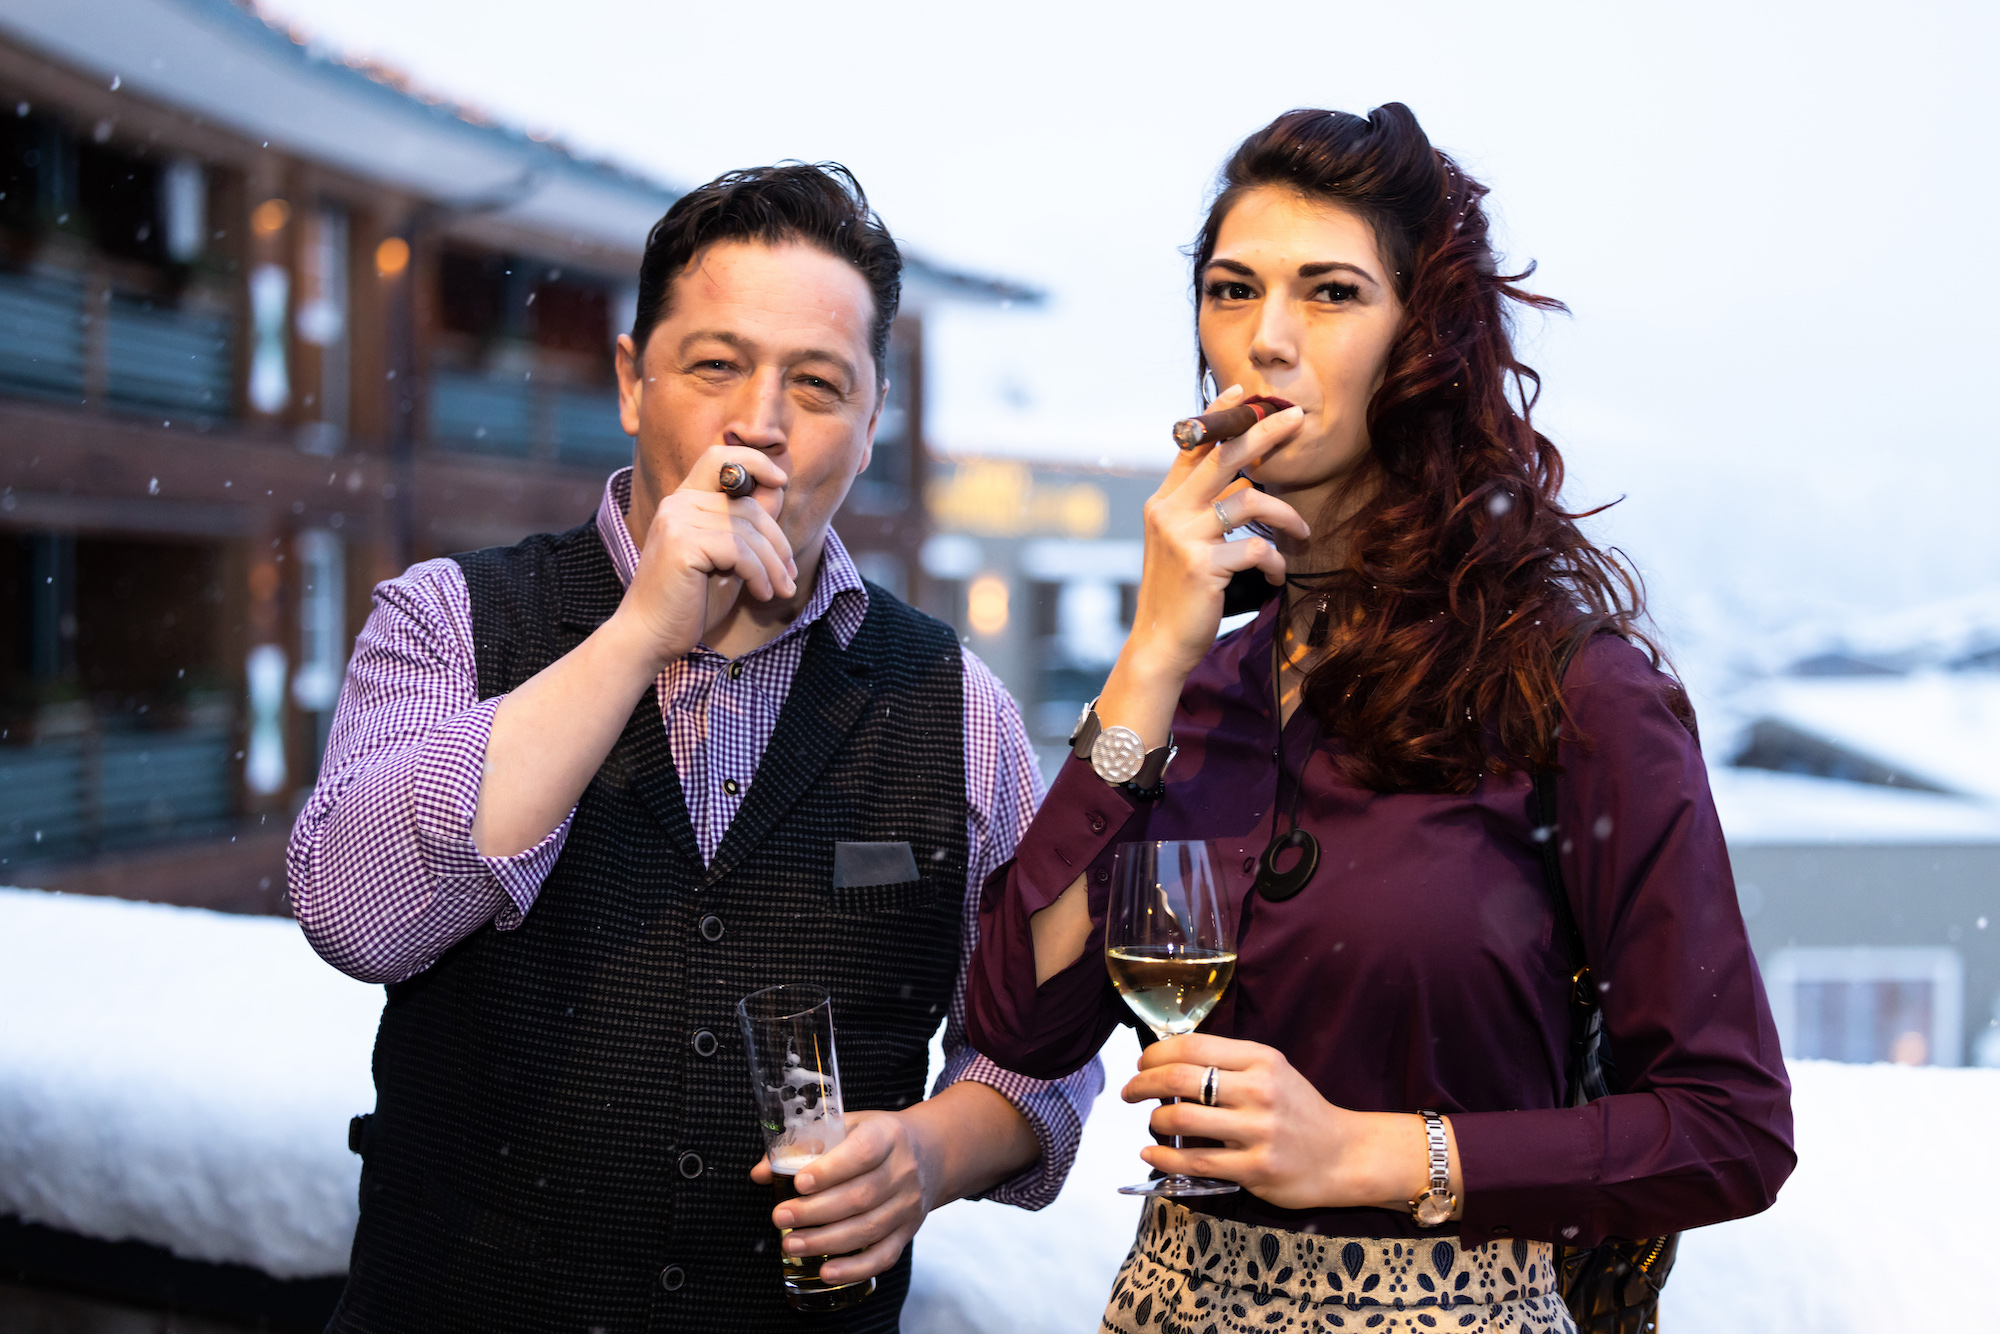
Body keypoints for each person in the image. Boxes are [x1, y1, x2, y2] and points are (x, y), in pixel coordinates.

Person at [965, 105, 1795, 1333]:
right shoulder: (1191, 689)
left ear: (1424, 341)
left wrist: (1365, 1152)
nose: (1267, 338)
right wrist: (1148, 656)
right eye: (1231, 290)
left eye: (1331, 292)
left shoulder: (1570, 692)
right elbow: (1019, 1025)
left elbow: (1729, 1126)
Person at [288, 162, 1101, 1333]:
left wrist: (928, 1153)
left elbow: (1043, 1050)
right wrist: (634, 635)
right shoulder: (449, 618)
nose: (759, 422)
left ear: (871, 424)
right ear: (633, 380)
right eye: (716, 365)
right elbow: (355, 915)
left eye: (816, 384)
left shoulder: (955, 705)